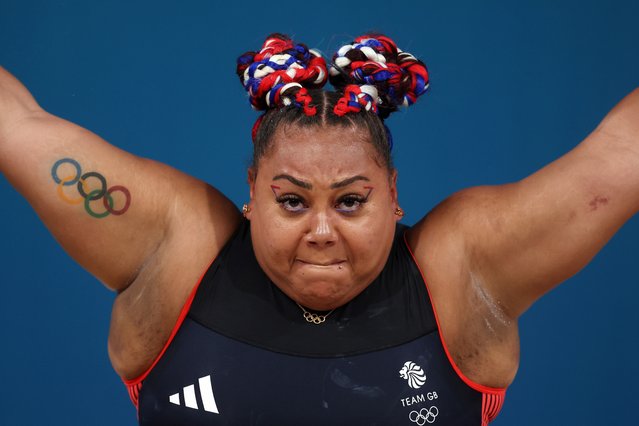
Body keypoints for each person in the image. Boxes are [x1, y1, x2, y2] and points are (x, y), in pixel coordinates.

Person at [0, 32, 637, 425]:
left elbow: (620, 154)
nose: (322, 232)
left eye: (352, 201)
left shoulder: (464, 270)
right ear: (251, 194)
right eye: (293, 202)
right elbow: (18, 126)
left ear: (394, 197)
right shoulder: (175, 248)